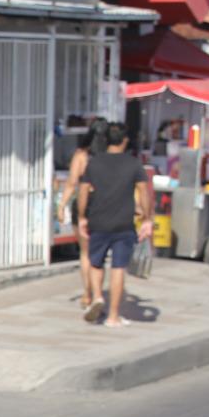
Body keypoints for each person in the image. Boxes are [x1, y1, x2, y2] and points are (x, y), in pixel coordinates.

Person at [78, 122, 153, 328]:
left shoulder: (94, 163)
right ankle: (113, 316)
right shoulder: (133, 164)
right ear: (125, 140)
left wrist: (82, 216)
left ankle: (97, 297)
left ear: (106, 140)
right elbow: (143, 192)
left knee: (96, 263)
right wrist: (147, 218)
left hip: (98, 220)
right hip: (123, 222)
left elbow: (83, 191)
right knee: (118, 267)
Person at [58, 118, 109, 314]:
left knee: (85, 253)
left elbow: (71, 183)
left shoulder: (81, 155)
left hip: (83, 204)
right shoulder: (109, 156)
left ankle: (87, 294)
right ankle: (97, 293)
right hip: (104, 205)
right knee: (99, 255)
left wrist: (61, 205)